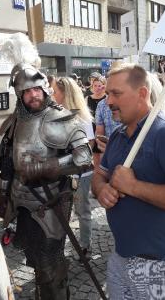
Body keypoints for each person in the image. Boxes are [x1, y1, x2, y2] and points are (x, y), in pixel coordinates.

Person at [91, 63, 165, 299]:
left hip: (164, 264)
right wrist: (101, 189)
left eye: (116, 93)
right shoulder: (117, 135)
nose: (108, 101)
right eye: (108, 93)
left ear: (142, 93)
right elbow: (100, 175)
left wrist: (133, 187)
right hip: (121, 257)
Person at [0, 34, 92, 300]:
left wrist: (46, 167)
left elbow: (84, 159)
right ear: (19, 95)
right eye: (26, 91)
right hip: (21, 201)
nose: (33, 94)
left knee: (49, 261)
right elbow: (7, 162)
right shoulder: (15, 121)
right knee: (35, 258)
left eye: (36, 89)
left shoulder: (60, 118)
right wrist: (2, 192)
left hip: (51, 201)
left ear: (45, 88)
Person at [52, 76, 94, 260]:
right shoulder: (54, 115)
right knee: (60, 211)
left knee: (81, 209)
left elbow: (88, 148)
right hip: (59, 173)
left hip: (80, 174)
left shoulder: (81, 118)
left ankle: (85, 245)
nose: (51, 94)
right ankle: (59, 246)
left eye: (54, 91)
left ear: (64, 93)